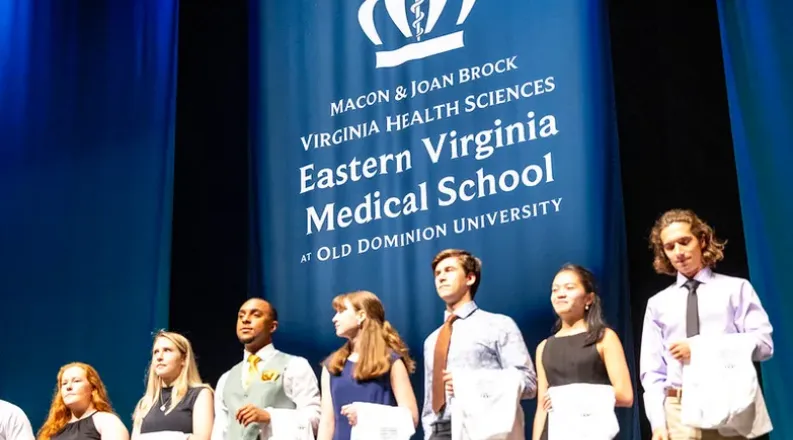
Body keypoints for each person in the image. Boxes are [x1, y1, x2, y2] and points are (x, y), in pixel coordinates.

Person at [640, 209, 774, 440]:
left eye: (684, 242)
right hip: (679, 408)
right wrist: (657, 424)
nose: (679, 252)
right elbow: (652, 372)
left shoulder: (735, 289)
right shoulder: (658, 304)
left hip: (730, 403)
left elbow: (763, 346)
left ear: (701, 240)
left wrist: (701, 348)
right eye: (670, 247)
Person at [421, 248, 537, 440]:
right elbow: (429, 399)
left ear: (470, 278)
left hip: (483, 427)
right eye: (437, 273)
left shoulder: (499, 325)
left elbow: (529, 384)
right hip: (439, 431)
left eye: (449, 270)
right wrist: (429, 432)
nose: (441, 277)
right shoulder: (431, 340)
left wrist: (470, 382)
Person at [532, 264, 633, 440]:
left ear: (589, 299)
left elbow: (625, 395)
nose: (560, 294)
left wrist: (571, 397)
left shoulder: (604, 338)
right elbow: (543, 406)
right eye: (555, 290)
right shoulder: (543, 347)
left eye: (569, 288)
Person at [210, 298, 321, 440]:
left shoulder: (294, 366)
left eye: (255, 315)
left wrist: (271, 417)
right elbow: (220, 430)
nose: (245, 320)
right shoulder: (226, 378)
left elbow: (315, 418)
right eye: (241, 316)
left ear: (272, 326)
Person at [316, 291, 419, 440]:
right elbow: (327, 422)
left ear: (361, 315)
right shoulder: (332, 366)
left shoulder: (390, 361)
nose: (334, 318)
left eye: (341, 311)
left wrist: (366, 415)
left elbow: (411, 417)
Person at [132, 331, 214, 439]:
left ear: (183, 359)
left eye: (167, 350)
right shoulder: (146, 403)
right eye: (156, 352)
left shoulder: (199, 394)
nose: (159, 357)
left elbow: (203, 438)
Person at [37, 362, 129, 440]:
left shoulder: (106, 421)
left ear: (93, 388)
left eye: (76, 381)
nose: (68, 387)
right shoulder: (54, 430)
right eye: (64, 383)